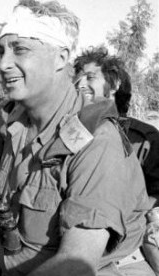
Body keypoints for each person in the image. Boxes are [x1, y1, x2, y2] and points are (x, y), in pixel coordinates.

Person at [0, 1, 153, 275]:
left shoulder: (97, 140)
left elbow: (76, 264)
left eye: (20, 49)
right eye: (1, 51)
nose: (4, 64)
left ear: (61, 58)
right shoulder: (14, 122)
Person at [74, 46, 159, 273]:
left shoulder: (145, 137)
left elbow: (156, 193)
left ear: (114, 86)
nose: (80, 84)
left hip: (126, 254)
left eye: (90, 77)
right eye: (77, 77)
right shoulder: (71, 131)